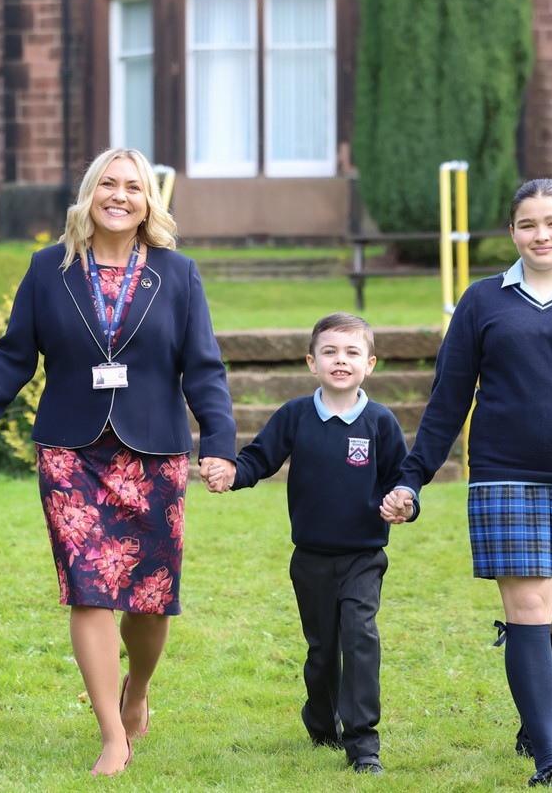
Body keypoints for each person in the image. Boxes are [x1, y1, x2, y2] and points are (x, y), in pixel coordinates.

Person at [0, 148, 237, 777]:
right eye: (109, 183)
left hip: (153, 450)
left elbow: (203, 368)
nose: (120, 195)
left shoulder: (177, 275)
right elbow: (13, 354)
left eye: (133, 187)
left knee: (150, 598)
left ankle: (138, 688)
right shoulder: (49, 269)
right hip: (71, 452)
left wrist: (218, 444)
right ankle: (112, 734)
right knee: (89, 587)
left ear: (149, 201)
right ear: (89, 192)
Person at [381, 178, 552, 789]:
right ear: (513, 233)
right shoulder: (481, 302)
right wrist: (413, 478)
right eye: (528, 224)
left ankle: (534, 719)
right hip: (504, 478)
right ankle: (549, 760)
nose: (541, 234)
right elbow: (448, 398)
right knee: (529, 609)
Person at [205, 312, 410, 775]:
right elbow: (258, 458)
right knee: (322, 650)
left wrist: (405, 503)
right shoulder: (296, 415)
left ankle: (363, 745)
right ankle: (321, 723)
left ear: (370, 364)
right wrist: (232, 473)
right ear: (311, 362)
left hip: (363, 556)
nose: (341, 361)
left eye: (352, 352)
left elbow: (402, 480)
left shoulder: (379, 422)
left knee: (360, 640)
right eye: (330, 352)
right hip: (311, 558)